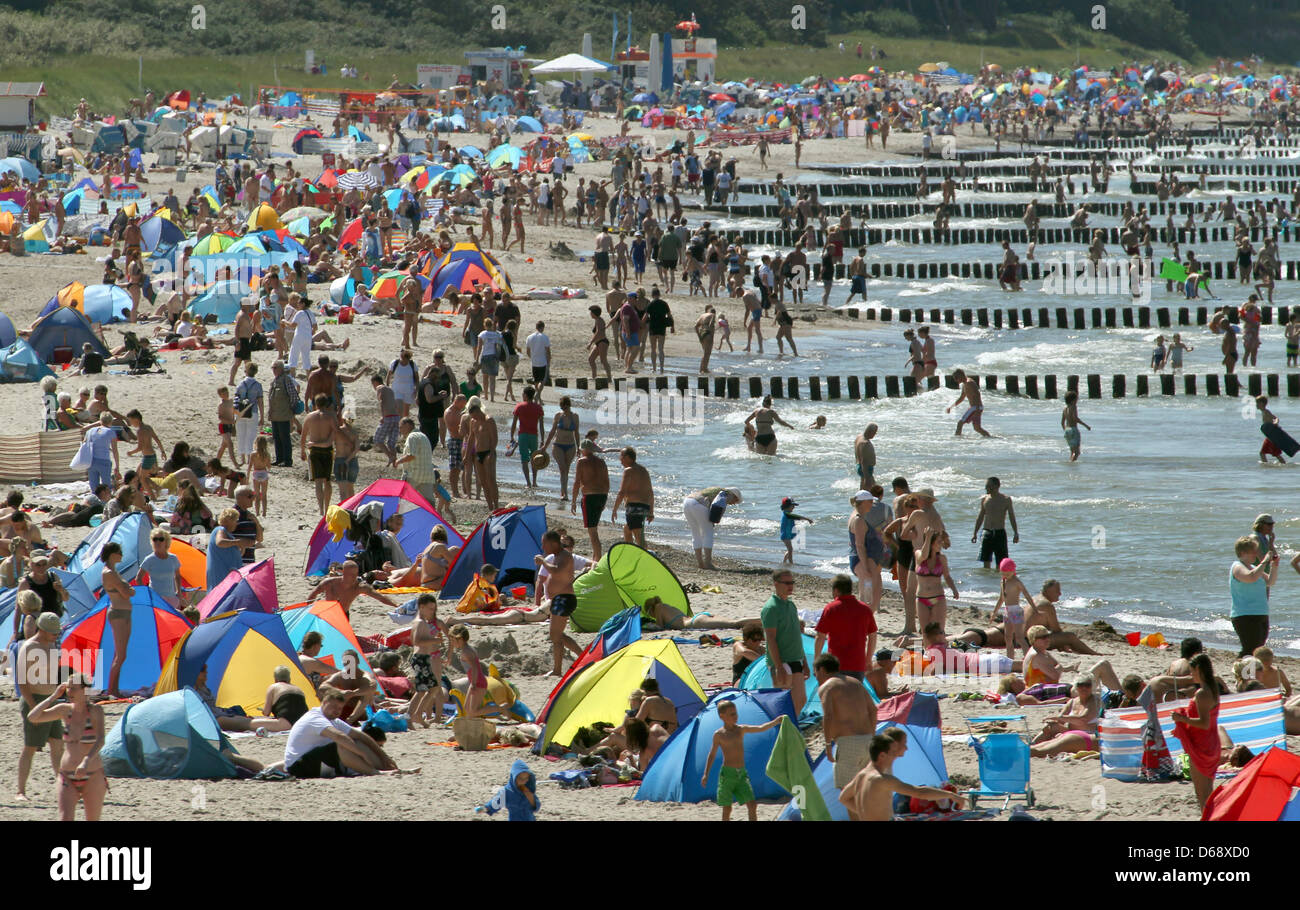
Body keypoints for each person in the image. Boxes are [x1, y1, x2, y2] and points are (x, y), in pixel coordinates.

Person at [25, 674, 107, 820]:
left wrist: (86, 761)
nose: (69, 692)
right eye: (68, 688)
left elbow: (100, 740)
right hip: (67, 775)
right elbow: (33, 717)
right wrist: (53, 697)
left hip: (93, 773)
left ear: (85, 690)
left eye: (74, 688)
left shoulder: (95, 712)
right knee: (65, 818)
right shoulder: (64, 710)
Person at [839, 731, 966, 821]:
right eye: (893, 753)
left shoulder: (862, 775)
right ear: (882, 755)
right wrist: (951, 795)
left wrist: (864, 814)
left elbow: (844, 798)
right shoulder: (882, 779)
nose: (895, 756)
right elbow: (919, 793)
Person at [284, 689, 405, 778]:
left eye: (340, 708)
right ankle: (375, 772)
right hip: (300, 767)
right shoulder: (315, 718)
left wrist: (384, 756)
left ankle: (386, 767)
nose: (337, 711)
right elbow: (339, 737)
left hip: (313, 761)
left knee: (357, 741)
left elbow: (360, 735)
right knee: (342, 743)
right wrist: (362, 754)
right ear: (324, 703)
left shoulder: (333, 720)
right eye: (334, 707)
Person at [699, 699, 783, 822]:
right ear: (722, 716)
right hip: (727, 775)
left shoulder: (741, 729)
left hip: (741, 774)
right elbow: (712, 754)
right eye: (732, 714)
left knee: (752, 804)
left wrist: (775, 722)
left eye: (736, 713)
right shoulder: (719, 734)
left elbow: (760, 728)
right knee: (727, 808)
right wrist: (706, 774)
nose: (735, 716)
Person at [16, 612, 65, 801]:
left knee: (57, 744)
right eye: (53, 632)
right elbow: (22, 682)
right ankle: (20, 791)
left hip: (50, 699)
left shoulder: (51, 644)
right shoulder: (29, 647)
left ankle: (63, 785)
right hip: (34, 700)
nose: (56, 635)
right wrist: (33, 706)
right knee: (30, 747)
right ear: (42, 630)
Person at [815, 653, 877, 788]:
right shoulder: (856, 683)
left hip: (848, 743)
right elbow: (873, 710)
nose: (817, 678)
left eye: (816, 674)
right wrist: (871, 735)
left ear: (821, 670)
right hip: (868, 740)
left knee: (848, 794)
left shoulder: (827, 687)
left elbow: (828, 716)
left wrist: (827, 745)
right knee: (863, 791)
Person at [1171, 653, 1222, 808]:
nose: (1191, 675)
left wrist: (1182, 719)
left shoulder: (1202, 693)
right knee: (1208, 793)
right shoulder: (1213, 689)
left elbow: (1204, 723)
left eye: (1192, 671)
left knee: (1203, 796)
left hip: (1202, 746)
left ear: (1199, 669)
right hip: (1211, 744)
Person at [536, 530, 581, 677]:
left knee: (556, 635)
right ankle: (558, 669)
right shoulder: (555, 556)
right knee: (556, 636)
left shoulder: (565, 556)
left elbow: (557, 571)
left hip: (565, 599)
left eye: (545, 544)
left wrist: (543, 561)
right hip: (558, 599)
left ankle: (582, 658)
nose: (543, 547)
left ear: (553, 543)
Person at [814, 575, 876, 682]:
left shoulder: (831, 608)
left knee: (834, 696)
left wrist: (817, 660)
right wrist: (868, 659)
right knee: (853, 696)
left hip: (834, 664)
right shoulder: (865, 609)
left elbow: (820, 636)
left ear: (836, 590)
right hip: (857, 663)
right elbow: (873, 636)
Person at [762, 569, 807, 717]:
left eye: (792, 582)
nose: (790, 586)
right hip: (781, 661)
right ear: (776, 584)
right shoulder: (771, 608)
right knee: (783, 702)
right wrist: (779, 666)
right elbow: (770, 639)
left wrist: (804, 661)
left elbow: (797, 636)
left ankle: (790, 729)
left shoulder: (791, 605)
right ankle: (782, 733)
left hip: (796, 658)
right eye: (787, 583)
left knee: (800, 700)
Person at [1028, 676, 1103, 757]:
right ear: (1076, 687)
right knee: (1049, 728)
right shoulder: (1072, 702)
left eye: (1087, 685)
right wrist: (1053, 722)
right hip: (1071, 734)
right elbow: (1060, 721)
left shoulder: (1095, 701)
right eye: (1081, 685)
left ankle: (1022, 750)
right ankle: (1031, 743)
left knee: (1040, 751)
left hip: (1085, 736)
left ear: (1092, 687)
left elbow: (1083, 719)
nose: (1084, 688)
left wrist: (1059, 717)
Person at [1229, 535, 1278, 655]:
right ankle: (1243, 673)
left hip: (1261, 613)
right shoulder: (1237, 567)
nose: (1255, 554)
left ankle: (1251, 673)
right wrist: (1265, 561)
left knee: (1258, 651)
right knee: (1250, 650)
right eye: (1253, 552)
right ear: (1243, 552)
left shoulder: (1255, 568)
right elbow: (1250, 577)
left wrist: (1274, 566)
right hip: (1245, 615)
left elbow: (1270, 582)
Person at [99, 542, 134, 697]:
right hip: (118, 613)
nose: (121, 554)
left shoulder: (113, 571)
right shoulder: (109, 573)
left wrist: (128, 590)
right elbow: (127, 593)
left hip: (124, 613)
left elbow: (126, 591)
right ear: (112, 553)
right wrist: (129, 590)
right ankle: (111, 689)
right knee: (121, 655)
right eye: (119, 551)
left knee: (119, 655)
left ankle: (115, 689)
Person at [407, 594, 448, 727]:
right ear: (421, 607)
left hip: (422, 658)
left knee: (429, 689)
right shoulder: (420, 622)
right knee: (424, 690)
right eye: (430, 609)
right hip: (421, 658)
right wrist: (436, 640)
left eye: (433, 609)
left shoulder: (419, 621)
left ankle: (417, 715)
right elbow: (417, 641)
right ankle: (412, 717)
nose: (432, 611)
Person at [307, 560, 399, 618]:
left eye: (355, 574)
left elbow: (380, 597)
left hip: (343, 616)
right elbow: (314, 593)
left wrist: (396, 604)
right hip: (328, 614)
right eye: (351, 574)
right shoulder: (329, 583)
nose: (354, 577)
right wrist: (307, 611)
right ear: (344, 573)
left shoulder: (359, 587)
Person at [682, 486, 742, 570]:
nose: (733, 504)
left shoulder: (717, 490)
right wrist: (713, 522)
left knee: (695, 533)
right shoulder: (727, 494)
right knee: (708, 533)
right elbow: (717, 507)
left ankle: (700, 563)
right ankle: (708, 563)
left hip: (687, 501)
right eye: (736, 501)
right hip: (699, 504)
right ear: (734, 495)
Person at [570, 439, 609, 561]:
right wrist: (605, 500)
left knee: (592, 531)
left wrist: (573, 501)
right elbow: (607, 482)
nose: (580, 451)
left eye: (581, 449)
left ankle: (597, 560)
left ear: (585, 450)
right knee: (594, 528)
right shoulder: (602, 462)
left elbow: (577, 482)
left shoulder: (581, 462)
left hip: (590, 497)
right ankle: (595, 557)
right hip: (602, 496)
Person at [991, 558, 1034, 660]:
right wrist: (994, 612)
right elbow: (1001, 598)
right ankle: (1010, 659)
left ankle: (1030, 658)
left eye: (1008, 573)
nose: (1006, 575)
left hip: (1016, 611)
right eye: (1004, 573)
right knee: (1008, 637)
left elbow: (1027, 595)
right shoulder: (1003, 582)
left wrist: (1034, 608)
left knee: (1019, 637)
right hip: (1007, 612)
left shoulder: (1017, 582)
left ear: (1013, 571)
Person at [610, 446, 654, 547]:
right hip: (644, 506)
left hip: (634, 507)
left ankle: (644, 559)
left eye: (621, 456)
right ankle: (632, 554)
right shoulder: (643, 470)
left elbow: (621, 492)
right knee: (627, 529)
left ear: (628, 457)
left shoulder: (628, 470)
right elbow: (650, 492)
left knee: (639, 537)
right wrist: (651, 511)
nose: (620, 459)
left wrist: (614, 510)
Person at [971, 477, 1019, 568]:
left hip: (999, 533)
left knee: (1001, 564)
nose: (986, 488)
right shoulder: (985, 499)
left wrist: (1016, 533)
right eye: (986, 486)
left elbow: (1012, 517)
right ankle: (987, 581)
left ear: (996, 486)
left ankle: (999, 581)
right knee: (986, 564)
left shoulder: (1006, 499)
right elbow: (980, 517)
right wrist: (975, 533)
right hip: (987, 533)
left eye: (988, 486)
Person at [140, 528, 184, 609]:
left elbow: (177, 576)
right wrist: (146, 594)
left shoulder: (173, 558)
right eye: (155, 539)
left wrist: (179, 592)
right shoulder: (149, 559)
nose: (158, 542)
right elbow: (138, 578)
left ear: (166, 541)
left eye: (161, 539)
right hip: (156, 599)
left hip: (171, 598)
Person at [205, 507, 247, 593]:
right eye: (236, 520)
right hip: (222, 571)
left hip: (228, 570)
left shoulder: (228, 534)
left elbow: (233, 554)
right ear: (229, 520)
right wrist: (237, 542)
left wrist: (242, 547)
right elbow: (220, 542)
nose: (237, 523)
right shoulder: (220, 530)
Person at [509, 386, 544, 488]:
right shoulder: (538, 408)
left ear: (525, 395)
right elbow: (541, 425)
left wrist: (512, 436)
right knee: (534, 459)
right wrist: (542, 439)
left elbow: (514, 423)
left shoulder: (519, 407)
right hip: (534, 436)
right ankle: (534, 481)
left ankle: (528, 483)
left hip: (523, 435)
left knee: (524, 460)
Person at [946, 368, 991, 437]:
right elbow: (961, 398)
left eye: (956, 378)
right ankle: (990, 437)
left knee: (960, 423)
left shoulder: (969, 383)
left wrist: (978, 407)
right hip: (976, 407)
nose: (955, 380)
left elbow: (977, 394)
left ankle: (957, 441)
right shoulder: (964, 384)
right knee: (977, 428)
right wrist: (951, 407)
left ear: (961, 375)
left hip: (975, 407)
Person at [779, 496, 813, 564]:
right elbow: (797, 517)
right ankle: (791, 563)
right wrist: (807, 519)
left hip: (787, 535)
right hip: (785, 535)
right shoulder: (787, 514)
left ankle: (784, 562)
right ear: (787, 506)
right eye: (792, 506)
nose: (794, 507)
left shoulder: (787, 514)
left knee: (790, 550)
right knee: (790, 549)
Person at [1061, 391, 1091, 461]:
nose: (1077, 401)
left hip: (1067, 430)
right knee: (1077, 452)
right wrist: (1086, 426)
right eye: (1076, 399)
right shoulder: (1073, 407)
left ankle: (1071, 466)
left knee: (1072, 452)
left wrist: (1065, 430)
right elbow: (1075, 418)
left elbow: (1062, 422)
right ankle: (1071, 463)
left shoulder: (1065, 409)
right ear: (1072, 400)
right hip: (1073, 429)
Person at [854, 423, 877, 490]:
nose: (875, 435)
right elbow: (864, 461)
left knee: (863, 490)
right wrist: (867, 478)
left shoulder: (859, 437)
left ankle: (856, 499)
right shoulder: (865, 443)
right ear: (870, 432)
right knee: (872, 490)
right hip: (866, 469)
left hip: (860, 466)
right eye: (875, 433)